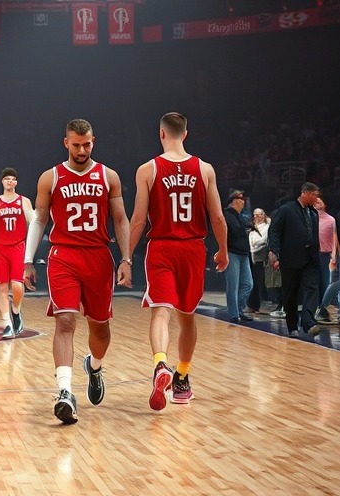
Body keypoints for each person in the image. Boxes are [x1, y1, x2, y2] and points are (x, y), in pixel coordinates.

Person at [22, 119, 132, 424]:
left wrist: (126, 259)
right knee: (65, 321)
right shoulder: (51, 177)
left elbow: (121, 220)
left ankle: (94, 367)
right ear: (66, 143)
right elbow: (39, 219)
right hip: (63, 256)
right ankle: (65, 392)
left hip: (98, 257)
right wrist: (27, 260)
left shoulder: (108, 176)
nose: (81, 150)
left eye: (86, 144)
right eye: (76, 144)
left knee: (100, 329)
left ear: (93, 141)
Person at [128, 112, 228, 411]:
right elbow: (218, 217)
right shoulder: (205, 169)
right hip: (193, 249)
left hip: (161, 247)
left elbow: (138, 219)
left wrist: (125, 256)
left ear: (161, 134)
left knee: (161, 312)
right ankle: (182, 377)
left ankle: (161, 364)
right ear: (185, 134)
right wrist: (222, 249)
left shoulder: (148, 169)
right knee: (187, 317)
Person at [267, 182, 321, 338]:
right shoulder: (286, 210)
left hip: (311, 258)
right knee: (291, 293)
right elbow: (274, 231)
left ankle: (309, 323)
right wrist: (274, 251)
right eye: (315, 195)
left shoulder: (314, 213)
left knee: (312, 288)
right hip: (291, 258)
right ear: (305, 193)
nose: (317, 198)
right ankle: (292, 326)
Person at [0, 167, 34, 339]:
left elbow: (33, 224)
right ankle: (6, 324)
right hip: (0, 247)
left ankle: (15, 311)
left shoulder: (24, 201)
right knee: (2, 287)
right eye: (6, 178)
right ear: (2, 181)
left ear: (16, 182)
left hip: (18, 247)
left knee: (17, 286)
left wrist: (30, 249)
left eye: (12, 179)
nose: (9, 181)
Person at [223, 190, 253, 324]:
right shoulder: (227, 214)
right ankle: (234, 314)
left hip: (244, 253)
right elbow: (234, 231)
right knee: (233, 286)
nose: (244, 202)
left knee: (248, 284)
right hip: (232, 253)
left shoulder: (241, 216)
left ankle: (240, 309)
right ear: (235, 200)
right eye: (241, 199)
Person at [247, 208, 271, 314]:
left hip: (260, 258)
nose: (256, 217)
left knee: (258, 282)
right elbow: (250, 241)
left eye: (259, 215)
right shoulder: (252, 228)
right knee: (251, 282)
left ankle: (256, 305)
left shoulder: (266, 227)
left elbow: (263, 240)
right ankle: (251, 305)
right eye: (255, 215)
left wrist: (255, 242)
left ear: (263, 215)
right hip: (251, 256)